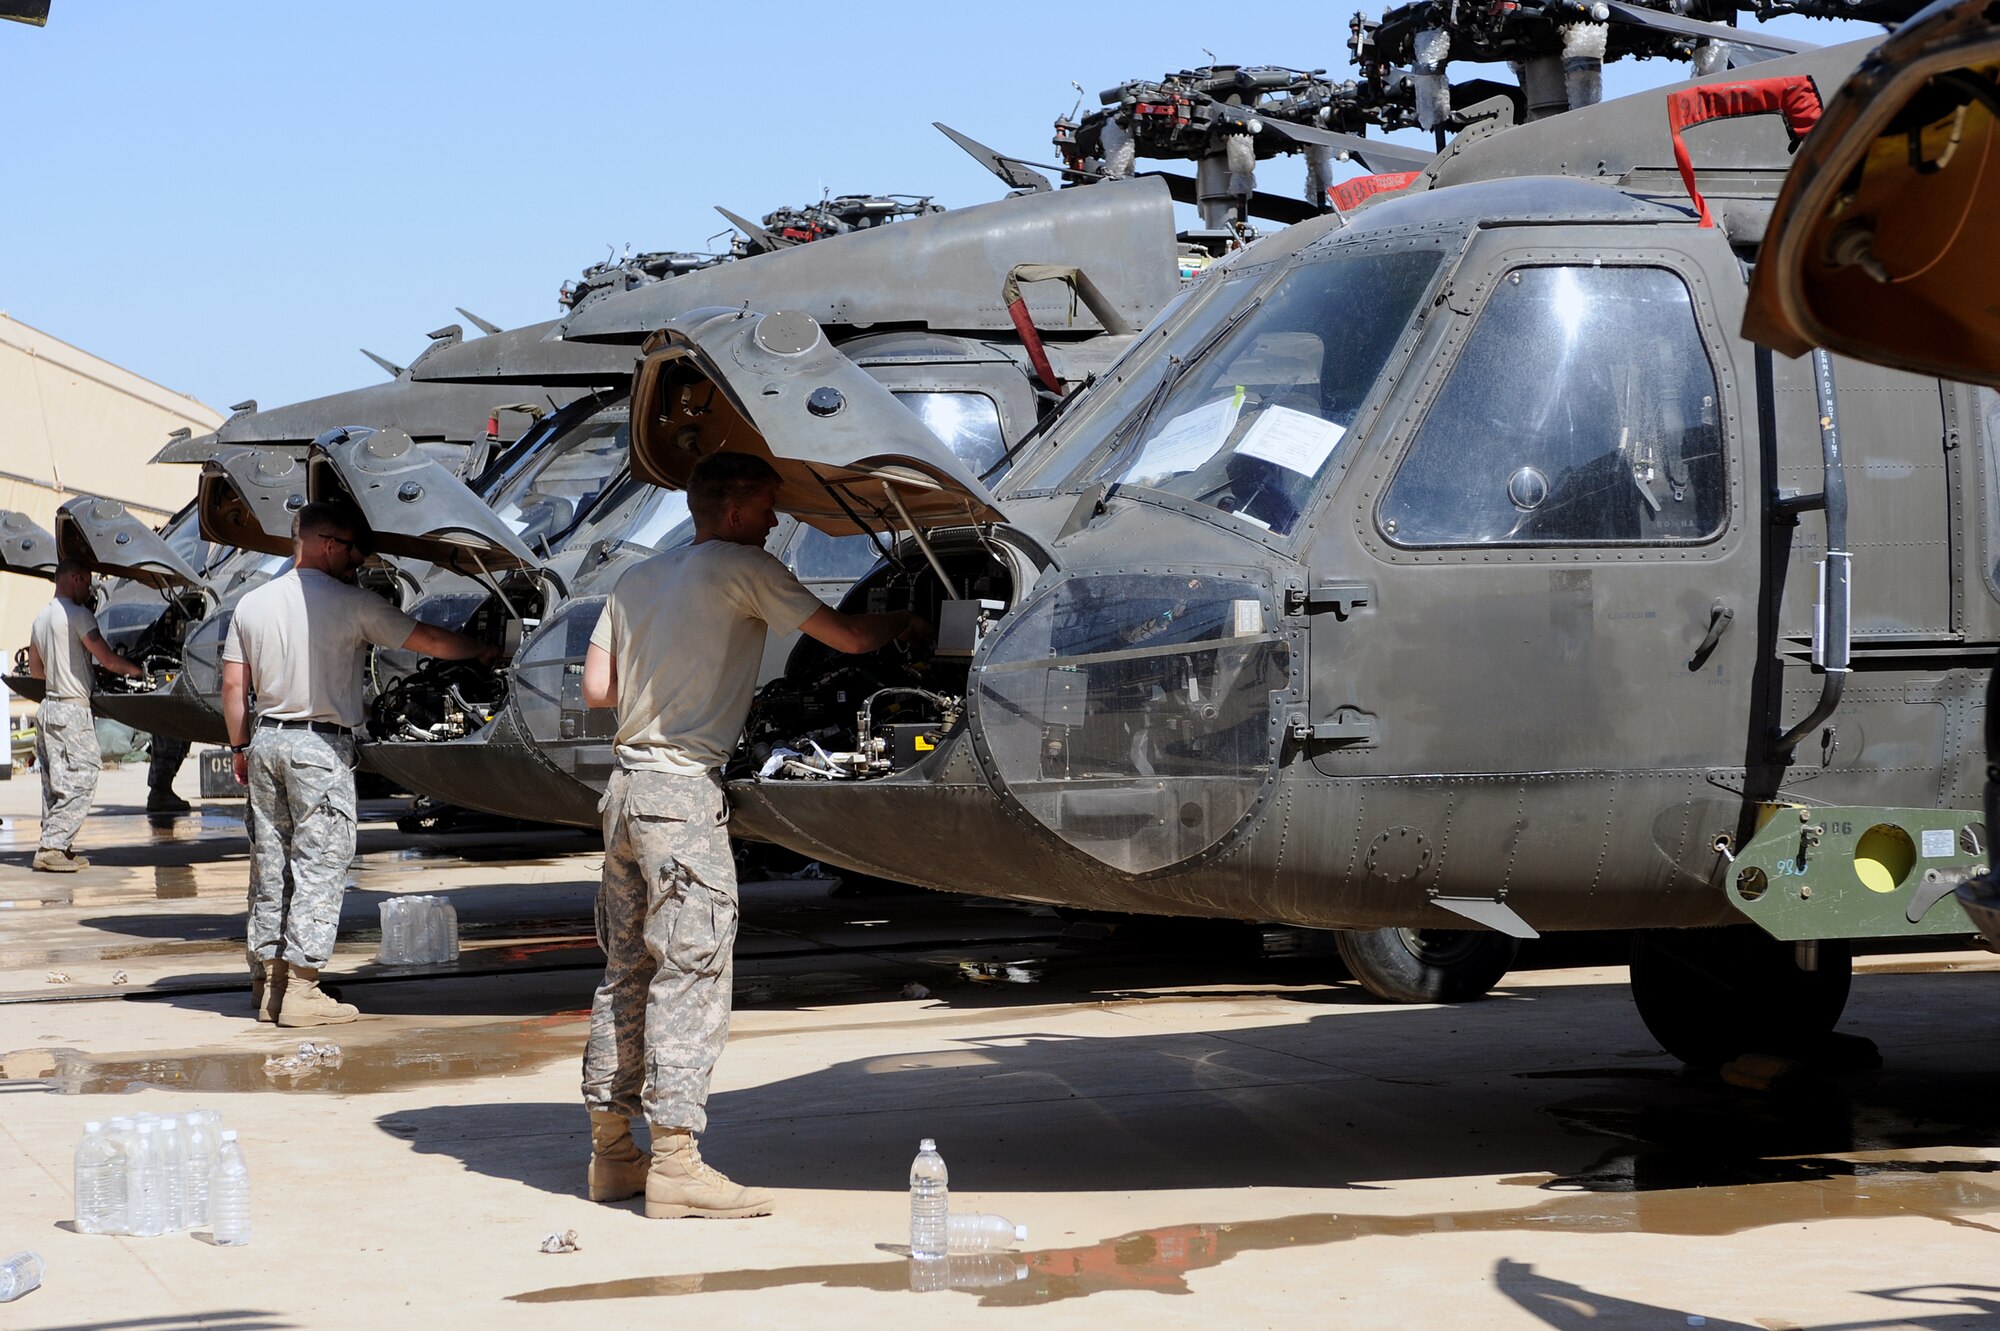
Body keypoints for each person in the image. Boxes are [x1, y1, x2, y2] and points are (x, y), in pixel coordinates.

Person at [579, 452, 928, 1220]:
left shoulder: (635, 578)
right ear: (734, 510)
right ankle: (677, 1164)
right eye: (768, 507)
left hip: (625, 794)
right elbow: (848, 639)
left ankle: (613, 1153)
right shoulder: (746, 566)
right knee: (692, 972)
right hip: (681, 798)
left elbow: (598, 689)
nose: (775, 521)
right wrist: (905, 621)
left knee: (626, 971)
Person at [220, 501, 495, 1027]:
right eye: (352, 551)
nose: (358, 562)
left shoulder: (252, 604)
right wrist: (480, 651)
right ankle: (302, 992)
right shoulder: (352, 603)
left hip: (266, 743)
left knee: (271, 867)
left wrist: (239, 747)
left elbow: (234, 687)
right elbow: (428, 639)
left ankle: (268, 985)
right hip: (319, 751)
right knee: (320, 866)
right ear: (327, 544)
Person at [25, 560, 144, 871]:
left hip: (48, 707)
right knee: (84, 776)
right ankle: (52, 847)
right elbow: (108, 660)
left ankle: (56, 846)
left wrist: (64, 673)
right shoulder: (78, 615)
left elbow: (36, 670)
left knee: (56, 784)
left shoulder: (41, 616)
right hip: (72, 710)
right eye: (87, 583)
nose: (89, 590)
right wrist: (138, 671)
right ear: (75, 578)